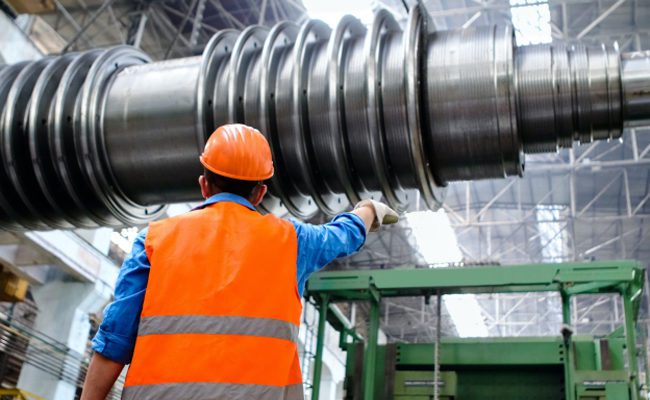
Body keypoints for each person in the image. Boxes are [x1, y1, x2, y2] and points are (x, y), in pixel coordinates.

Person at [80, 124, 399, 400]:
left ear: (204, 185)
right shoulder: (293, 241)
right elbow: (343, 235)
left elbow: (114, 342)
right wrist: (368, 210)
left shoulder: (154, 240)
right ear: (260, 193)